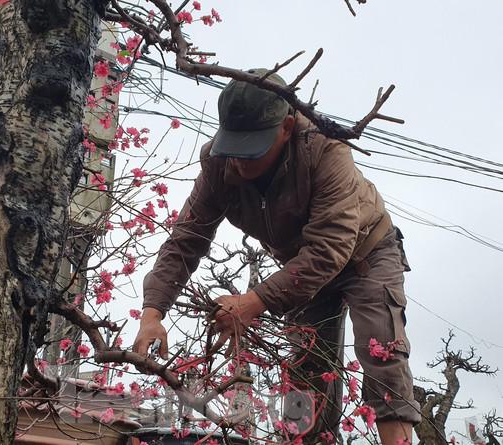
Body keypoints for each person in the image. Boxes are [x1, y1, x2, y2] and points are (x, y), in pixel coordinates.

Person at [133, 69, 421, 444]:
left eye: (251, 149)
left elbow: (330, 247)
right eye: (232, 147)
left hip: (366, 251)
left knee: (381, 350)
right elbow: (188, 236)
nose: (238, 162)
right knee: (305, 369)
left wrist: (255, 301)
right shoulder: (218, 164)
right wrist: (153, 312)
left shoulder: (325, 150)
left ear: (286, 128)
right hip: (301, 265)